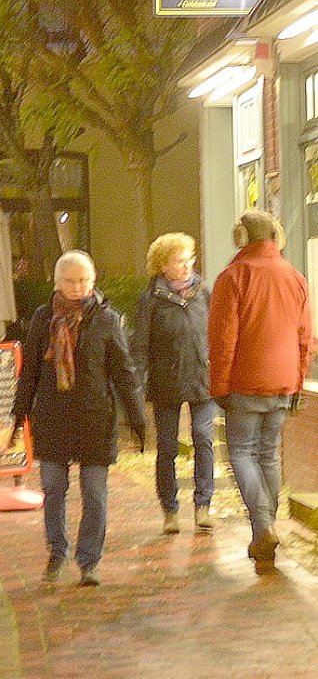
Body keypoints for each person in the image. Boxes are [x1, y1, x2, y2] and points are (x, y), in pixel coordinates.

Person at [12, 250, 145, 587]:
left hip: (95, 417)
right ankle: (57, 551)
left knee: (95, 493)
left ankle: (89, 561)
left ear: (93, 281)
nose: (77, 287)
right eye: (70, 281)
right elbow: (29, 372)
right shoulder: (43, 319)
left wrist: (137, 417)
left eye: (84, 280)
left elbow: (123, 371)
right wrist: (18, 415)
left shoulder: (106, 319)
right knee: (53, 489)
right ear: (57, 283)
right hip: (53, 416)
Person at [208, 210, 312, 574]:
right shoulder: (296, 278)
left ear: (241, 237)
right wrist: (297, 380)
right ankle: (266, 527)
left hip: (244, 381)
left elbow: (223, 340)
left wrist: (218, 384)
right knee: (268, 454)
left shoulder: (233, 277)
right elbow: (305, 338)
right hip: (283, 380)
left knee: (241, 452)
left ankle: (263, 525)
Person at [131, 232, 216, 536]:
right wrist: (137, 387)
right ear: (163, 267)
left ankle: (203, 505)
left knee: (203, 438)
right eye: (179, 261)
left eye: (189, 259)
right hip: (166, 382)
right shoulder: (151, 299)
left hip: (203, 378)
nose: (187, 265)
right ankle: (170, 509)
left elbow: (218, 332)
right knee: (167, 447)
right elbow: (140, 344)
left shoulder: (204, 292)